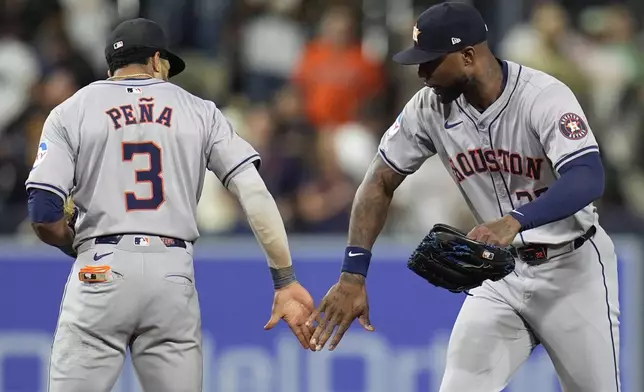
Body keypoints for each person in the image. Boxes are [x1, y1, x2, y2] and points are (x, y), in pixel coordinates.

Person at [307, 3, 620, 392]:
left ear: (468, 56)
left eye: (430, 62)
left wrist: (514, 221)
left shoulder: (543, 97)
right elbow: (377, 182)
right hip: (500, 275)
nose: (422, 74)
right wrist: (353, 274)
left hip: (571, 269)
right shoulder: (428, 107)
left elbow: (589, 175)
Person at [25, 18, 315, 392]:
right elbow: (255, 194)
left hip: (99, 266)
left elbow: (43, 214)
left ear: (111, 67)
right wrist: (284, 280)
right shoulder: (200, 111)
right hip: (172, 273)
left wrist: (72, 242)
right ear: (157, 60)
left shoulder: (72, 110)